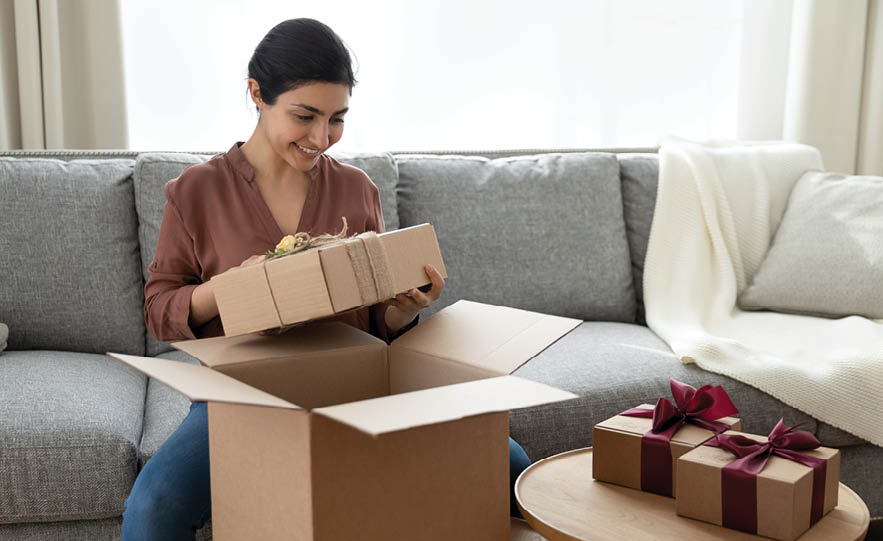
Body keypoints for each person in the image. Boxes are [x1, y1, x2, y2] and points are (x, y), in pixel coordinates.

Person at [123, 18, 531, 540]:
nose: (322, 138)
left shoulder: (357, 189)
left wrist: (405, 307)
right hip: (248, 394)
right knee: (153, 508)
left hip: (357, 385)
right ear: (256, 93)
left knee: (512, 463)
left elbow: (378, 322)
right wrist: (230, 288)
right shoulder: (196, 192)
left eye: (337, 119)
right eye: (305, 116)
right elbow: (160, 310)